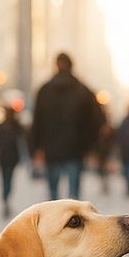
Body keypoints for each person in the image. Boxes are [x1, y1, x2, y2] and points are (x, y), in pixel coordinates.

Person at [29, 52, 103, 200]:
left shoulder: (44, 90)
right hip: (75, 149)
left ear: (56, 65)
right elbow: (97, 120)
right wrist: (91, 147)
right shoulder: (84, 91)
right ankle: (75, 221)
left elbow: (37, 121)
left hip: (51, 149)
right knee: (74, 196)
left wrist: (36, 148)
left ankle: (54, 221)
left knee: (53, 195)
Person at [0, 104, 25, 218]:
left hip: (5, 157)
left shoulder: (1, 126)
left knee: (5, 179)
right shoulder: (15, 126)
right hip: (11, 157)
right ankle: (6, 196)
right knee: (8, 179)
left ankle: (5, 197)